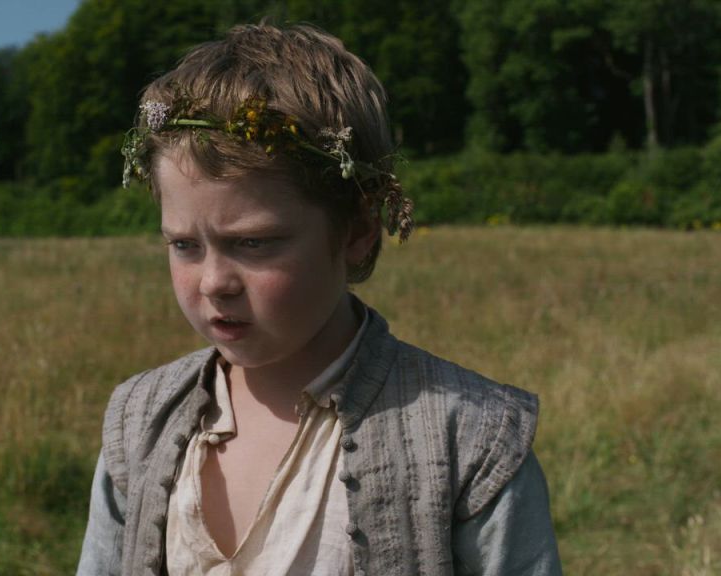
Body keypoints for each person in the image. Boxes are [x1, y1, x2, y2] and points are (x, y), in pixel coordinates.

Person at [77, 23, 561, 576]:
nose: (214, 282)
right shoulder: (140, 423)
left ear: (358, 228)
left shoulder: (468, 438)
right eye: (184, 245)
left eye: (253, 243)